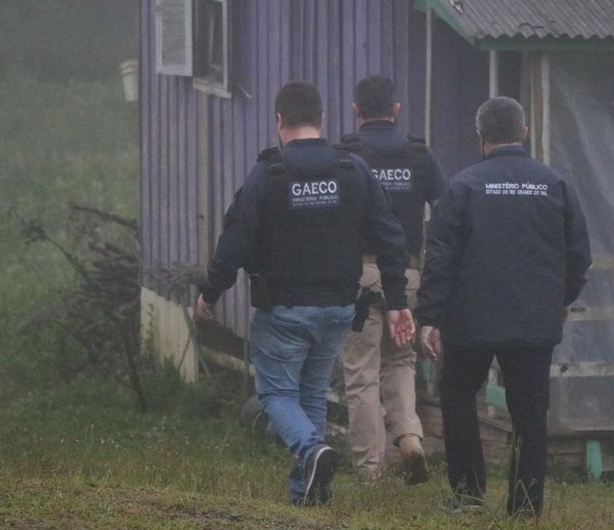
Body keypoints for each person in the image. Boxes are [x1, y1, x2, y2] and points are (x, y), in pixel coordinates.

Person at [195, 80, 415, 507]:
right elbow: (392, 238)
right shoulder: (353, 170)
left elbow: (235, 240)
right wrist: (398, 301)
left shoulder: (268, 173)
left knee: (276, 394)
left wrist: (210, 293)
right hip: (338, 308)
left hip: (284, 310)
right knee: (312, 394)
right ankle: (310, 494)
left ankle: (311, 450)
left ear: (278, 120)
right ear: (324, 119)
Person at [415, 96, 591, 518]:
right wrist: (558, 299)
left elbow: (441, 257)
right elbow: (579, 256)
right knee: (530, 414)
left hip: (470, 321)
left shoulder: (464, 186)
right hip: (533, 321)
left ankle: (468, 495)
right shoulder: (555, 186)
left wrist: (430, 317)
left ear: (480, 137)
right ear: (523, 133)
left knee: (458, 398)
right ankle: (526, 506)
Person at [337, 75, 447, 485]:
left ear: (356, 110)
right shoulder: (419, 154)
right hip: (409, 271)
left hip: (360, 274)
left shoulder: (346, 155)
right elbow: (446, 208)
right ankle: (410, 437)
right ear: (396, 110)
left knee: (362, 371)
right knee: (400, 361)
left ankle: (371, 470)